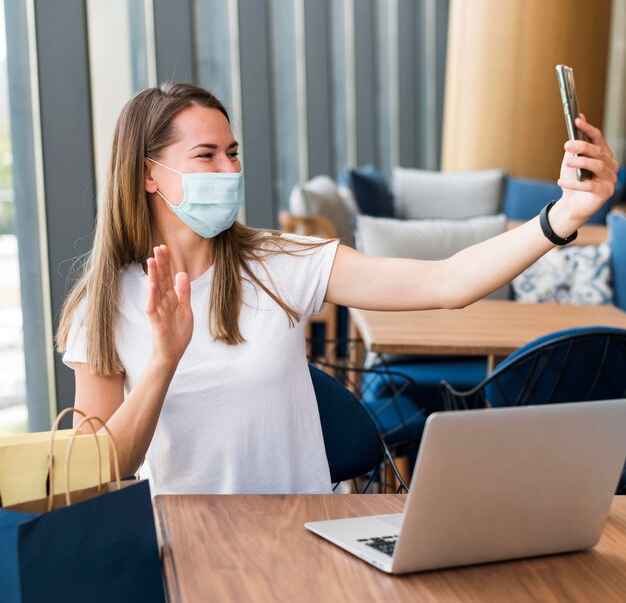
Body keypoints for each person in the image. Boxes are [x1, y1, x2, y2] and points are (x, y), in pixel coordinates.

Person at [57, 81, 618, 495]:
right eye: (205, 156)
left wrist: (561, 216)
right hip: (185, 548)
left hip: (302, 533)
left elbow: (448, 282)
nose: (229, 172)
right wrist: (162, 361)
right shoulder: (102, 305)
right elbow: (105, 469)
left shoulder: (281, 262)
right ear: (148, 172)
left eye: (233, 153)